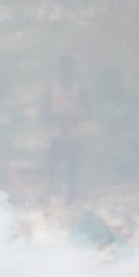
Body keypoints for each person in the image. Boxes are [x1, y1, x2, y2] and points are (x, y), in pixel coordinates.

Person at [44, 53, 91, 203]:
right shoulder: (51, 89)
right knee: (52, 165)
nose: (65, 72)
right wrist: (54, 116)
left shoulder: (80, 89)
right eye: (62, 69)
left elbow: (89, 112)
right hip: (56, 133)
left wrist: (76, 116)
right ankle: (51, 192)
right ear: (58, 71)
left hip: (73, 134)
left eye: (68, 69)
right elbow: (43, 113)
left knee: (73, 167)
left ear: (73, 70)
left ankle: (72, 196)